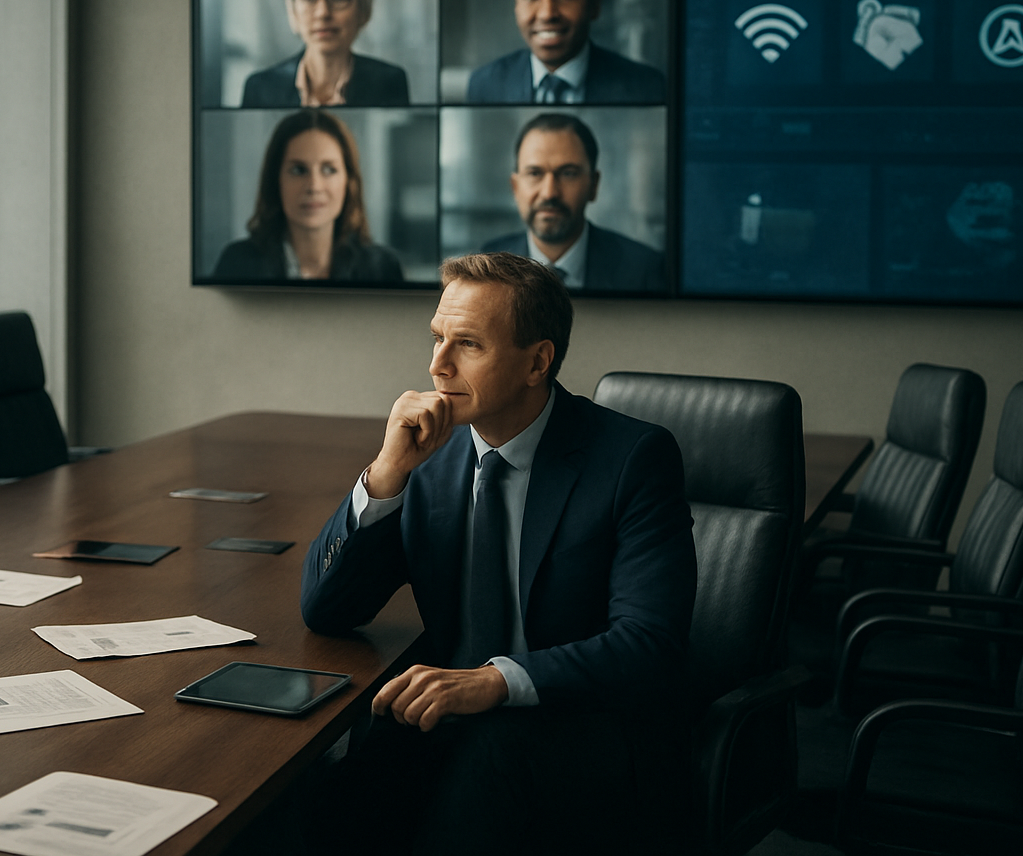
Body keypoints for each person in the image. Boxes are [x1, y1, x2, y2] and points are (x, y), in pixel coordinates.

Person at [299, 251, 695, 854]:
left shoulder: (633, 459)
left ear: (538, 361)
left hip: (580, 721)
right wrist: (386, 475)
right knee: (327, 799)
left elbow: (649, 642)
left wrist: (496, 683)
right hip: (450, 720)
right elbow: (327, 610)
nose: (437, 365)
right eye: (436, 339)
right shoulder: (431, 460)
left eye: (468, 345)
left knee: (473, 784)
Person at [465, 0, 666, 104]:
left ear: (594, 4)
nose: (547, 14)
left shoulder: (646, 87)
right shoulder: (485, 84)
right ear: (517, 6)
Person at [482, 112, 667, 291]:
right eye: (535, 173)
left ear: (593, 185)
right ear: (515, 187)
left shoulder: (644, 270)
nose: (549, 193)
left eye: (568, 173)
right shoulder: (487, 266)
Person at [212, 110, 404, 281]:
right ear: (276, 180)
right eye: (298, 170)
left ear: (349, 182)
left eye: (329, 169)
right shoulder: (237, 263)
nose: (314, 186)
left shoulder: (382, 267)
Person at [241, 0, 410, 108]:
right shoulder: (260, 87)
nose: (323, 13)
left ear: (364, 10)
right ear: (292, 11)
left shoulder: (389, 82)